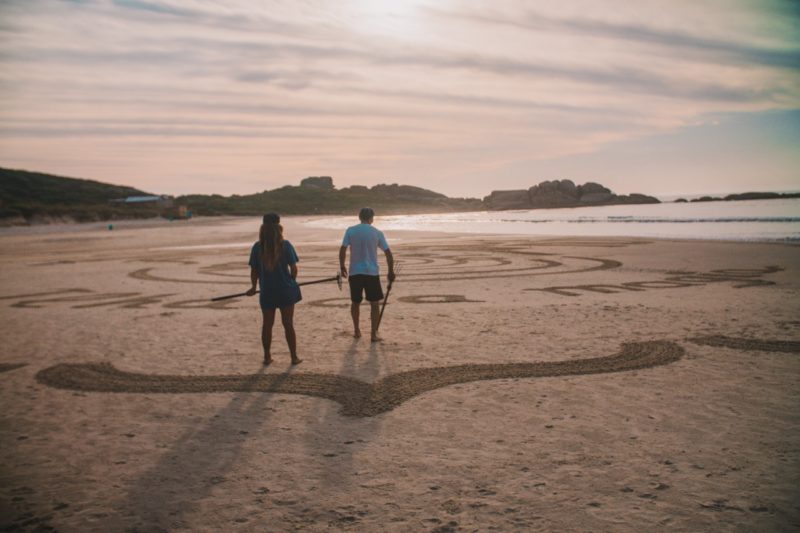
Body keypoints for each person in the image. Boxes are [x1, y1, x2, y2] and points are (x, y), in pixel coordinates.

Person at [246, 213, 302, 365]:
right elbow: (294, 268)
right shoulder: (286, 245)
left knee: (267, 324)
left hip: (267, 292)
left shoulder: (257, 247)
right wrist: (292, 281)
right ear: (279, 227)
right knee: (288, 324)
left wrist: (253, 287)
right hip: (285, 291)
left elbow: (254, 271)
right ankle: (293, 357)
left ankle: (267, 357)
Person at [339, 207, 396, 342]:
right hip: (371, 273)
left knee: (355, 302)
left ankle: (357, 330)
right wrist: (390, 271)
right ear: (372, 218)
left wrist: (342, 266)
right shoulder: (376, 233)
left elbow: (342, 249)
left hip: (355, 272)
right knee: (374, 303)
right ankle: (373, 334)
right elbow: (388, 253)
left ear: (359, 217)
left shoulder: (351, 230)